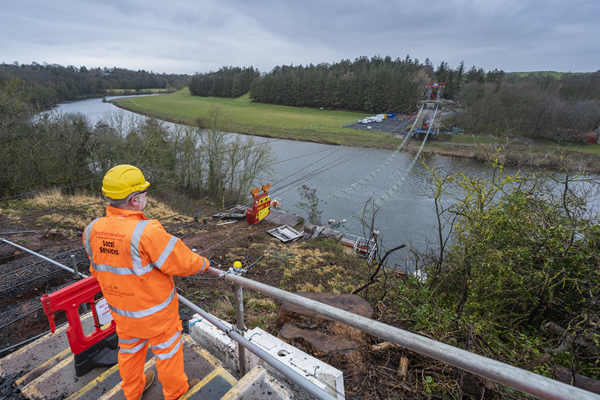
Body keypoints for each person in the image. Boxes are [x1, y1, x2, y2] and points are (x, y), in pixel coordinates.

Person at [83, 164, 210, 400]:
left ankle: (133, 393)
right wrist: (204, 264)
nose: (145, 197)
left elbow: (96, 270)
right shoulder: (146, 231)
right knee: (168, 354)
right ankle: (177, 393)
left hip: (122, 313)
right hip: (157, 316)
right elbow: (182, 262)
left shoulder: (92, 229)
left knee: (129, 352)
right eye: (143, 193)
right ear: (134, 200)